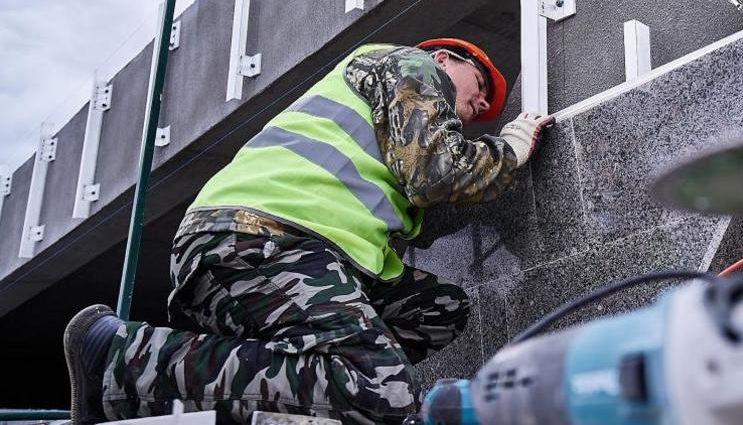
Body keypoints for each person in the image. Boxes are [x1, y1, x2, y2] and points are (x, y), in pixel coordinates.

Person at [63, 39, 552, 424]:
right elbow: (439, 174)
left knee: (436, 310)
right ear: (445, 58)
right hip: (263, 237)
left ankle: (293, 403)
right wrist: (508, 146)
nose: (483, 102)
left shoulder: (388, 117)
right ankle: (120, 358)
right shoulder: (412, 66)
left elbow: (423, 190)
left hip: (288, 251)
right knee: (383, 391)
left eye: (488, 105)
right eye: (480, 82)